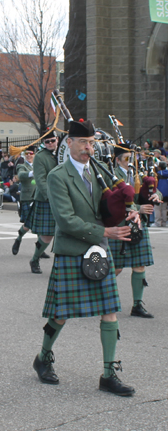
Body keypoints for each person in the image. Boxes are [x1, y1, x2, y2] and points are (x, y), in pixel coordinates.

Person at [32, 119, 138, 397]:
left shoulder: (100, 169)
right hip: (74, 249)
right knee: (61, 314)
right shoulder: (57, 176)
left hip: (99, 248)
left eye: (91, 143)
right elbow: (65, 221)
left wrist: (132, 209)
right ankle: (43, 357)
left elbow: (120, 196)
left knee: (109, 310)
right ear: (69, 143)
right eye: (82, 142)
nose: (88, 148)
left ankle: (108, 374)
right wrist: (104, 231)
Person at [109, 145, 161, 318]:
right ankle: (94, 296)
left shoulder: (136, 173)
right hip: (121, 223)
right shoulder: (112, 176)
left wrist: (156, 195)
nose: (130, 162)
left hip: (138, 224)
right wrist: (139, 207)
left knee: (139, 265)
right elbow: (112, 202)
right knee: (116, 268)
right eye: (125, 158)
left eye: (131, 158)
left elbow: (151, 188)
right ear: (117, 159)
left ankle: (137, 304)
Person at [23, 131, 59, 273]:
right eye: (47, 142)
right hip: (47, 199)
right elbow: (40, 179)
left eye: (52, 140)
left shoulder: (64, 154)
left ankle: (60, 264)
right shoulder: (40, 157)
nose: (50, 143)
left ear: (57, 140)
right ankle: (35, 259)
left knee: (65, 233)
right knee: (47, 235)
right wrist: (50, 196)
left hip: (64, 198)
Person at [11, 145, 37, 270]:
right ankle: (19, 238)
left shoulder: (39, 164)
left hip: (39, 197)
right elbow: (21, 175)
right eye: (27, 153)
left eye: (31, 153)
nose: (29, 155)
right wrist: (33, 172)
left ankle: (39, 249)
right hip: (27, 197)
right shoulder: (22, 165)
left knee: (40, 224)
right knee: (28, 224)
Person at [155, 161, 168, 227]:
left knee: (157, 208)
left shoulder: (158, 174)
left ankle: (158, 223)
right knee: (164, 209)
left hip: (159, 193)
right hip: (167, 194)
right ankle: (164, 223)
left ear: (159, 167)